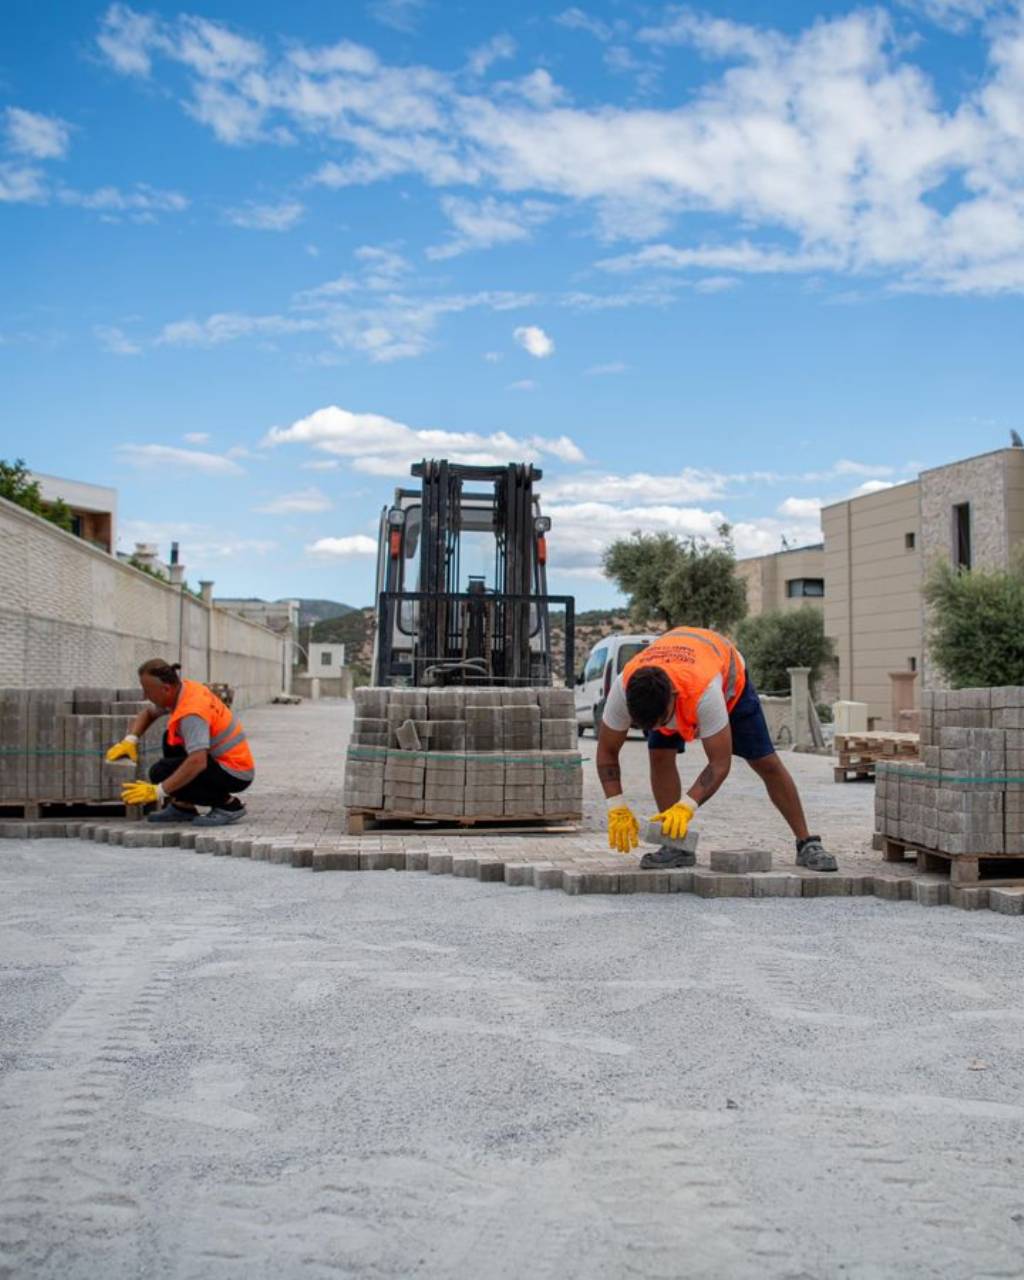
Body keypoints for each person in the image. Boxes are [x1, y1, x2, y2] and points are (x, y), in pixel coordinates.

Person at [596, 626, 837, 872]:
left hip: (730, 686)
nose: (660, 727)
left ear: (673, 697)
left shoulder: (704, 692)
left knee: (765, 762)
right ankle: (675, 845)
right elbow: (606, 751)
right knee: (659, 755)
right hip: (679, 665)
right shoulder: (624, 688)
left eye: (662, 720)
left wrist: (687, 805)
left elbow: (719, 763)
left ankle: (806, 842)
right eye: (648, 725)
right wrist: (616, 806)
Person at [105, 659, 254, 827]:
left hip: (234, 773)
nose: (145, 696)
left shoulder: (191, 713)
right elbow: (148, 713)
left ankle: (228, 805)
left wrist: (159, 790)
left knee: (159, 773)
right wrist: (130, 740)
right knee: (170, 738)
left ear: (166, 689)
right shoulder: (183, 690)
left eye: (147, 691)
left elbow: (198, 762)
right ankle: (183, 806)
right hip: (222, 762)